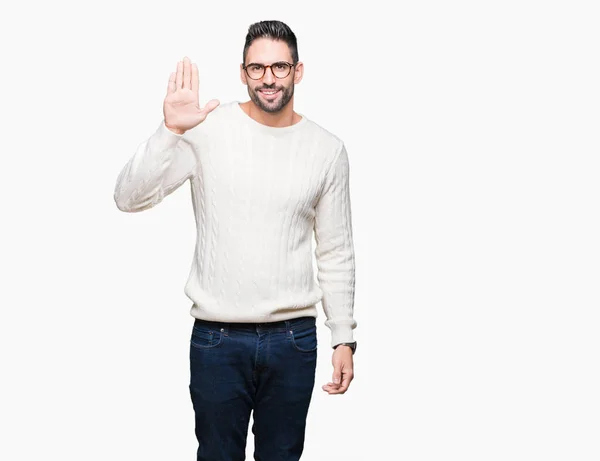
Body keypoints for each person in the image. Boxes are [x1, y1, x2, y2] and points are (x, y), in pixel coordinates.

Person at [113, 20, 357, 461]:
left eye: (279, 67)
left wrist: (343, 335)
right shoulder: (206, 129)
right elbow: (128, 199)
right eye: (257, 68)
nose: (268, 78)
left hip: (293, 341)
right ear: (243, 73)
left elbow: (336, 250)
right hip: (218, 340)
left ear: (298, 72)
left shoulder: (326, 149)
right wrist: (170, 131)